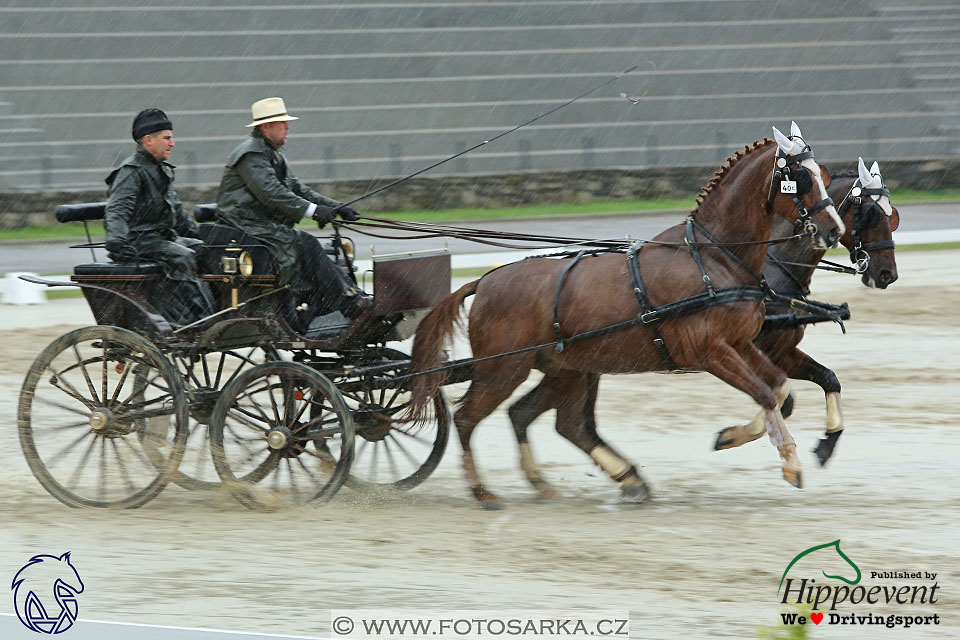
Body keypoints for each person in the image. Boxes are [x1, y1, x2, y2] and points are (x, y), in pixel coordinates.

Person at [216, 97, 371, 331]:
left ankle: (337, 302)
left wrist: (336, 207)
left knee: (322, 249)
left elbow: (298, 189)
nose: (288, 127)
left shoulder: (273, 154)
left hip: (264, 225)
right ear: (265, 127)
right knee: (304, 242)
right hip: (245, 226)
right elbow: (272, 193)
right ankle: (346, 302)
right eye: (282, 123)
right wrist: (314, 211)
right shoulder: (250, 155)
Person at [104, 108, 215, 324]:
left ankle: (212, 310)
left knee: (206, 251)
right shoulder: (131, 171)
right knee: (182, 256)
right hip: (139, 241)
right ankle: (199, 320)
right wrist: (117, 242)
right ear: (148, 140)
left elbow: (178, 213)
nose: (172, 144)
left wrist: (200, 236)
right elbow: (117, 209)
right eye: (167, 138)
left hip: (161, 238)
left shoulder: (160, 169)